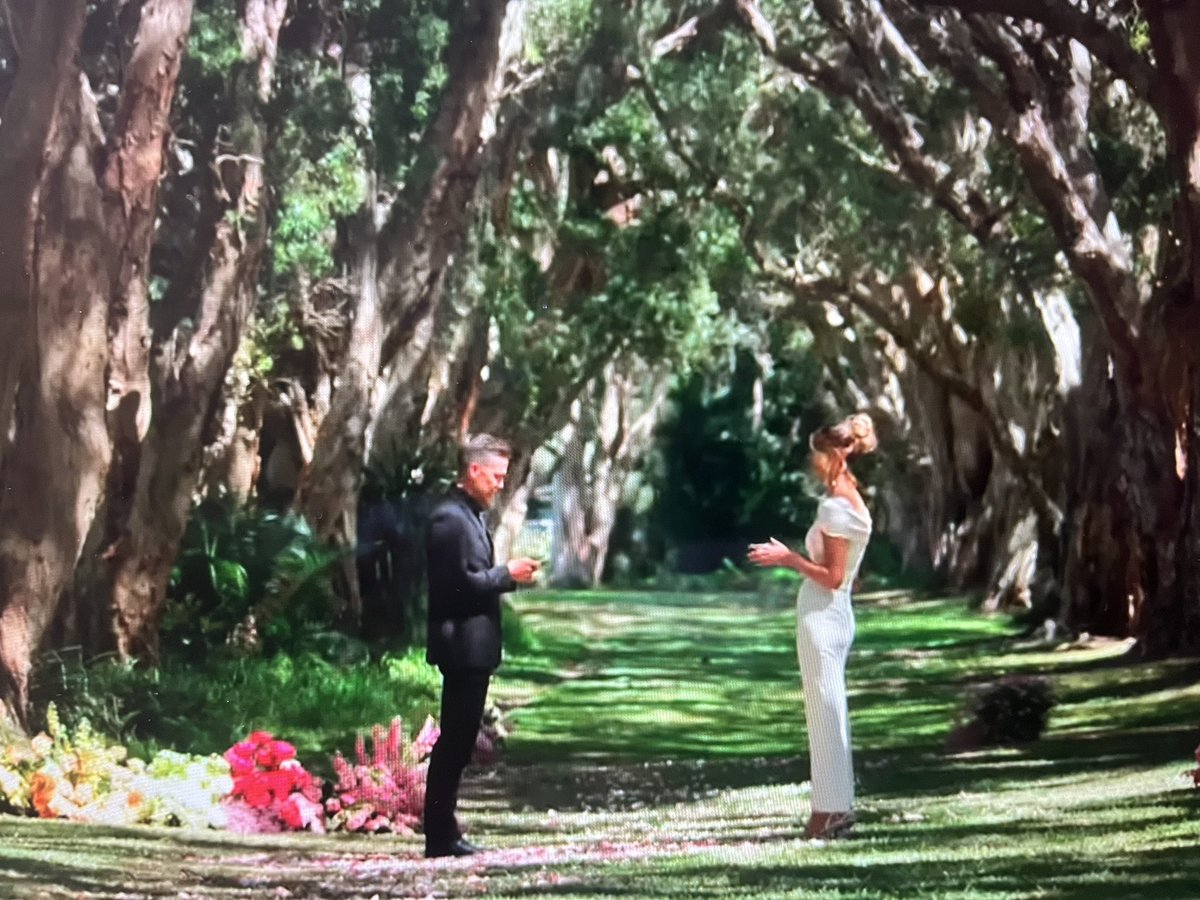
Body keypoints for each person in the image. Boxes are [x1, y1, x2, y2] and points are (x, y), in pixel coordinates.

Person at [748, 413, 876, 841]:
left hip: (823, 615)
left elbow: (833, 576)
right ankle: (835, 808)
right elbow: (851, 574)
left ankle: (828, 813)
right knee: (829, 711)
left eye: (815, 456)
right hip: (837, 616)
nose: (812, 465)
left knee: (824, 713)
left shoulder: (835, 507)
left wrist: (788, 559)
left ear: (831, 457)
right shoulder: (855, 500)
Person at [423, 434, 540, 858]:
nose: (499, 485)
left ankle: (444, 831)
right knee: (453, 743)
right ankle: (439, 835)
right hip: (461, 646)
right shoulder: (450, 519)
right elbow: (459, 586)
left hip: (474, 647)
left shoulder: (468, 515)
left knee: (459, 741)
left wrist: (507, 575)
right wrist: (506, 574)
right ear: (473, 470)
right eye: (495, 476)